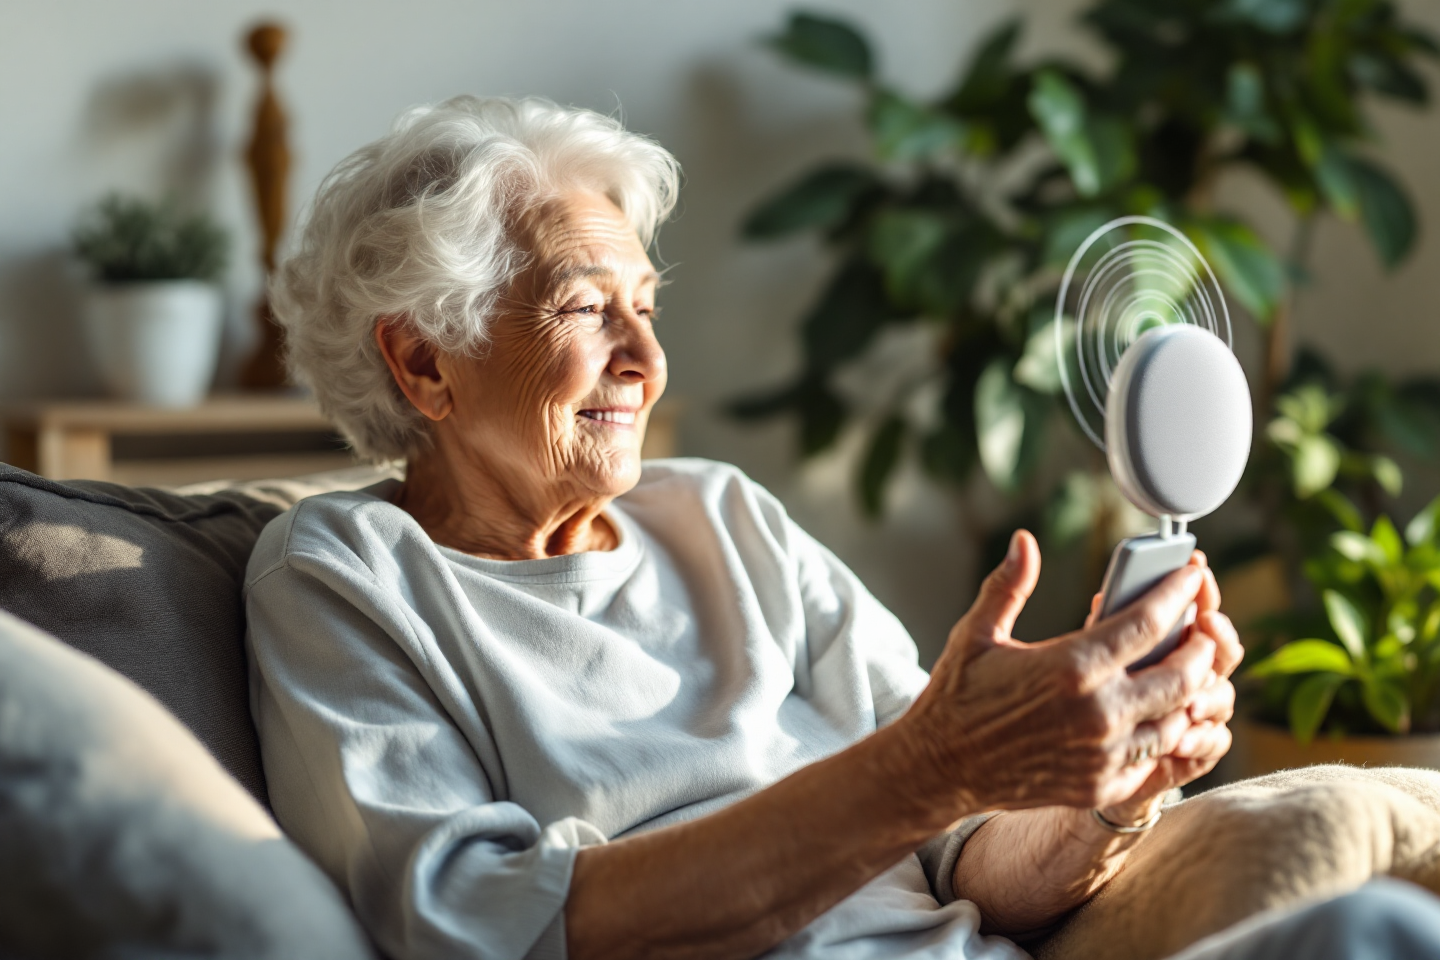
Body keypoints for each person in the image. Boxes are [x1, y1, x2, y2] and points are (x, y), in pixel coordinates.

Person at [244, 96, 1440, 960]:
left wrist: (1104, 792)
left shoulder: (721, 516)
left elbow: (967, 852)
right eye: (584, 310)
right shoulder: (346, 575)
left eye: (647, 309)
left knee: (1374, 930)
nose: (648, 361)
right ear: (422, 361)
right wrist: (936, 763)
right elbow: (483, 926)